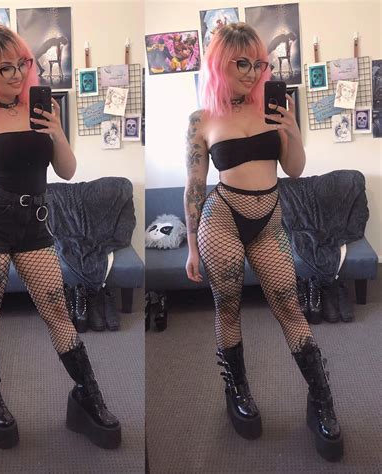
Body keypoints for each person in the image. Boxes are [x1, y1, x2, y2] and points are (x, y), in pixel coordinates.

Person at [0, 24, 120, 450]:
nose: (16, 74)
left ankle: (87, 396)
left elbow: (67, 171)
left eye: (21, 64)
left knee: (57, 309)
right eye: (3, 68)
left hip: (35, 223)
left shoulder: (42, 109)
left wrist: (56, 130)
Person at [184, 23, 343, 462]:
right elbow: (195, 185)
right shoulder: (202, 119)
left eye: (259, 63)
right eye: (242, 63)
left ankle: (321, 400)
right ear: (220, 64)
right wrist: (193, 246)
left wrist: (292, 130)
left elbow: (294, 168)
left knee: (289, 305)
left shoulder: (273, 108)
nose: (253, 72)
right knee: (228, 306)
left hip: (269, 220)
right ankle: (237, 389)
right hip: (221, 219)